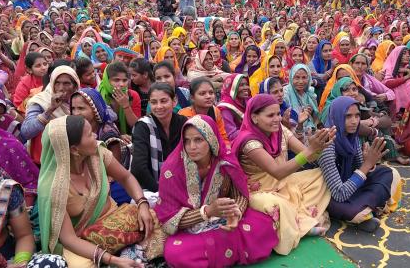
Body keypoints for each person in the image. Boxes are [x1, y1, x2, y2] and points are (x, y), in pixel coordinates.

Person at [37, 115, 165, 267]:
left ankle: (132, 254)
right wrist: (112, 259)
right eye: (90, 134)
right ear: (74, 149)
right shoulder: (53, 186)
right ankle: (129, 255)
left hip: (116, 221)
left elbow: (126, 177)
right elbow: (69, 239)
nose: (96, 136)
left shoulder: (97, 154)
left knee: (153, 219)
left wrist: (142, 204)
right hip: (81, 239)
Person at [155, 115, 278, 267]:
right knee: (175, 252)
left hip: (222, 222)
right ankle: (230, 250)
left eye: (198, 140)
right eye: (187, 141)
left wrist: (234, 213)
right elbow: (168, 220)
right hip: (189, 231)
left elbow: (239, 194)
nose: (191, 147)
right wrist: (207, 211)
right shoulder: (172, 170)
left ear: (211, 139)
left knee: (264, 225)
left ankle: (218, 253)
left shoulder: (225, 160)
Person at [233, 94, 335, 255]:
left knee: (320, 176)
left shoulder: (281, 130)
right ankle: (301, 225)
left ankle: (299, 218)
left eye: (278, 114)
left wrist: (321, 145)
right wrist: (310, 150)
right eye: (270, 115)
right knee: (275, 205)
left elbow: (307, 154)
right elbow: (278, 172)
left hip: (282, 182)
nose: (277, 119)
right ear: (254, 117)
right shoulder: (249, 142)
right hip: (257, 191)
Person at [318, 96, 402, 232]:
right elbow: (339, 194)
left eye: (357, 116)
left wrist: (369, 161)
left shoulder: (353, 137)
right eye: (348, 116)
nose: (354, 121)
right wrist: (366, 165)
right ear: (336, 117)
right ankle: (369, 210)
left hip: (350, 185)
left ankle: (368, 210)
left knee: (391, 173)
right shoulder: (327, 145)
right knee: (352, 211)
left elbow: (359, 168)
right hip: (329, 194)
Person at [131, 83, 188, 193]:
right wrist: (161, 191)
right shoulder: (143, 127)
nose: (159, 106)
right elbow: (138, 168)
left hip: (181, 182)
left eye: (163, 101)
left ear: (174, 101)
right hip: (151, 187)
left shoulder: (183, 122)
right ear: (149, 104)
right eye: (154, 102)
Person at [21, 65, 80, 165]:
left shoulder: (79, 98)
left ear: (75, 86)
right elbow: (26, 132)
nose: (61, 88)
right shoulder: (40, 101)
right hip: (47, 159)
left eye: (66, 83)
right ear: (52, 83)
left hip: (75, 155)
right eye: (57, 83)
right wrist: (50, 110)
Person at [179, 77, 230, 146]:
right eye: (202, 93)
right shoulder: (184, 115)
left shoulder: (215, 111)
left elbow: (223, 137)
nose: (208, 96)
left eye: (211, 92)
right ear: (192, 97)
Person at [99, 62, 141, 135]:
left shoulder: (133, 95)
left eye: (124, 80)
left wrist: (126, 106)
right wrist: (119, 137)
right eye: (116, 80)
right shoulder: (99, 96)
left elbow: (136, 126)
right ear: (107, 80)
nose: (121, 84)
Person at [382, 46, 410, 117]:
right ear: (397, 55)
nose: (408, 55)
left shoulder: (407, 67)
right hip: (389, 101)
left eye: (409, 53)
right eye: (404, 53)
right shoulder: (389, 67)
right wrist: (407, 77)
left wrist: (406, 70)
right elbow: (387, 84)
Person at [283, 64, 319, 129]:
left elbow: (315, 117)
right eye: (297, 77)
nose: (301, 82)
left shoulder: (310, 92)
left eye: (304, 77)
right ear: (291, 78)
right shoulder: (285, 93)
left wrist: (311, 112)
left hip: (310, 128)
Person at [217, 74, 250, 140]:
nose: (246, 87)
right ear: (232, 88)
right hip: (235, 142)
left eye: (246, 84)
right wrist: (253, 130)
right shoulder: (225, 108)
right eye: (241, 85)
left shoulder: (247, 101)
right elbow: (231, 134)